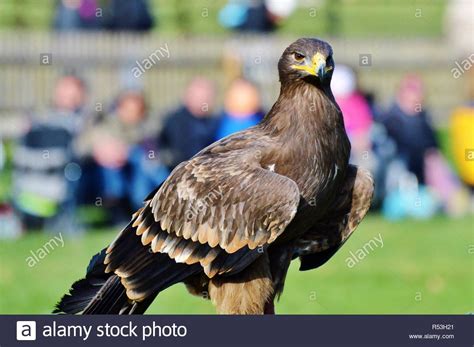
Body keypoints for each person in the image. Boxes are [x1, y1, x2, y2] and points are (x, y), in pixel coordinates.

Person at [381, 74, 468, 218]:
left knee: (435, 161)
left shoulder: (423, 120)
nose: (417, 95)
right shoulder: (391, 119)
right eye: (412, 90)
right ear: (401, 93)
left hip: (423, 172)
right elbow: (398, 148)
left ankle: (451, 197)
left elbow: (434, 146)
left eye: (420, 90)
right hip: (399, 170)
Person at [77, 90, 168, 222]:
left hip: (136, 170)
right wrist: (103, 152)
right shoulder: (105, 124)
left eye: (136, 111)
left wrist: (127, 151)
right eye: (128, 109)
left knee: (144, 163)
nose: (131, 114)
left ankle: (163, 195)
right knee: (118, 165)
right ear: (119, 109)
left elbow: (152, 151)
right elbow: (86, 147)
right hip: (102, 169)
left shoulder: (146, 127)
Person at [12, 74, 87, 232]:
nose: (68, 98)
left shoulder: (86, 122)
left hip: (41, 194)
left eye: (73, 94)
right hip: (35, 192)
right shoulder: (38, 122)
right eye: (65, 93)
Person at [159, 78, 218, 171]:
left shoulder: (214, 122)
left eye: (206, 97)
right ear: (187, 96)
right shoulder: (173, 121)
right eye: (199, 97)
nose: (203, 101)